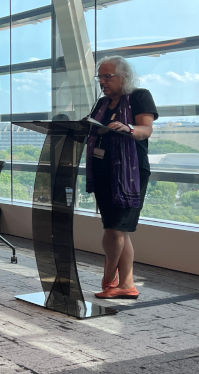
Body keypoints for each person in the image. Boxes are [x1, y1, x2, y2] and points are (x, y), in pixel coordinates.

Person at [86, 56, 157, 300]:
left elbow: (146, 129)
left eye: (107, 77)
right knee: (118, 228)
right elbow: (91, 128)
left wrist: (129, 128)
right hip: (103, 169)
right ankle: (127, 284)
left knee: (115, 229)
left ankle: (108, 277)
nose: (102, 82)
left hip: (130, 172)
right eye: (100, 77)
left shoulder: (139, 96)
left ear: (123, 77)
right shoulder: (102, 103)